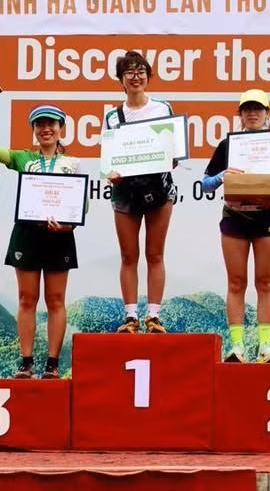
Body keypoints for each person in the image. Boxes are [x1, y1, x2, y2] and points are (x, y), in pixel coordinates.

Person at [0, 95, 80, 379]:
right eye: (39, 124)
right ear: (34, 129)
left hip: (60, 236)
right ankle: (26, 362)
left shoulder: (72, 164)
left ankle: (53, 364)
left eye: (51, 123)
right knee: (26, 299)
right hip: (27, 233)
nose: (45, 128)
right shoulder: (23, 157)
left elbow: (79, 205)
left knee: (56, 300)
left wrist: (68, 226)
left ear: (61, 128)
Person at [201, 89, 270, 363]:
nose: (252, 113)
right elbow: (205, 182)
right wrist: (223, 175)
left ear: (268, 113)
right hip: (234, 218)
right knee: (236, 283)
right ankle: (237, 347)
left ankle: (265, 347)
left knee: (265, 282)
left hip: (268, 219)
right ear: (240, 114)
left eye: (258, 108)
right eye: (247, 108)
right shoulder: (228, 146)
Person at [104, 51, 176, 334]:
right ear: (121, 80)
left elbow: (174, 152)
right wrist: (111, 172)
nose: (136, 76)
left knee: (155, 254)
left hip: (159, 188)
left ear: (148, 76)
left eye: (140, 70)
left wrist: (168, 156)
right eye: (129, 72)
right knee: (128, 255)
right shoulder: (112, 117)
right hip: (125, 193)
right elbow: (108, 160)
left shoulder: (163, 109)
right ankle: (131, 316)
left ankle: (154, 316)